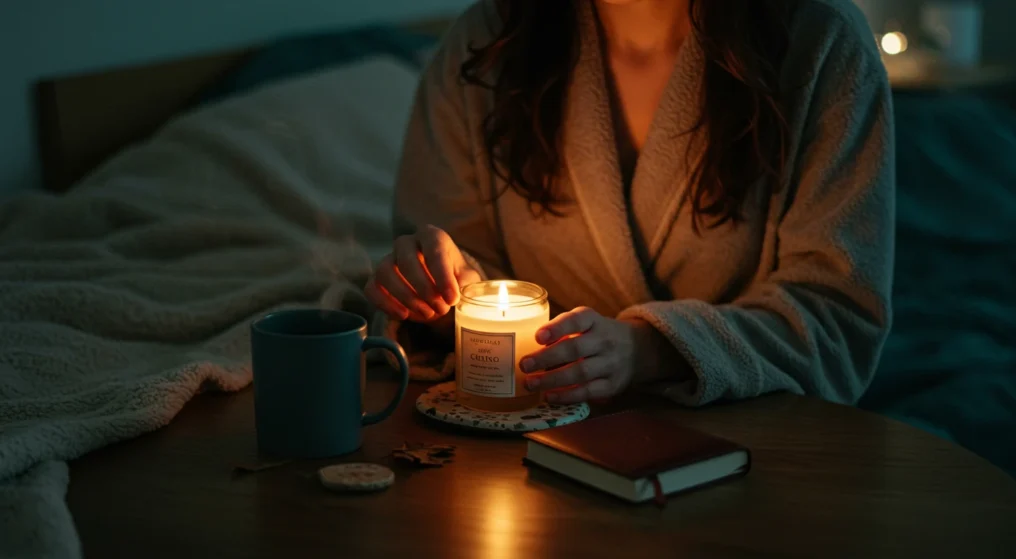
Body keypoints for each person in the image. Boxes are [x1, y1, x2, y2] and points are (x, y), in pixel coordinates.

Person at [365, 0, 895, 407]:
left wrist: (652, 348)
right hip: (525, 445)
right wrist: (436, 296)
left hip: (745, 447)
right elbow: (460, 289)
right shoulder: (488, 44)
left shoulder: (820, 41)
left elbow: (836, 318)